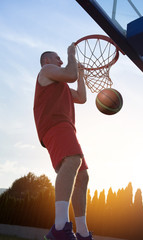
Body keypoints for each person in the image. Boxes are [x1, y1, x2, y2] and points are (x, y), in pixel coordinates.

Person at [33, 43, 94, 240]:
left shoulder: (63, 86)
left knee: (83, 176)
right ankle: (59, 227)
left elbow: (82, 97)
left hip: (65, 127)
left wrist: (82, 74)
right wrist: (70, 54)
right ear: (46, 60)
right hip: (54, 124)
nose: (60, 61)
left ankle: (83, 232)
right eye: (56, 57)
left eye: (61, 57)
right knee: (73, 160)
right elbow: (70, 74)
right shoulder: (46, 71)